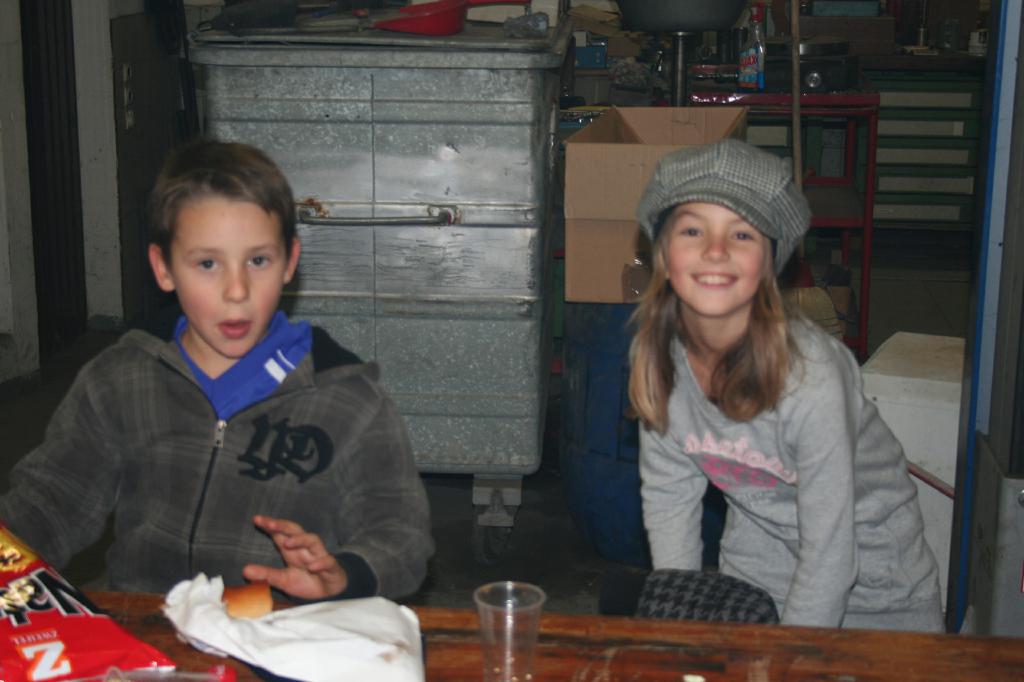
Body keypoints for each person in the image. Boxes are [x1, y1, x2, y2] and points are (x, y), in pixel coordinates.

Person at [0, 139, 434, 602]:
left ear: (290, 262)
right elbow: (51, 501)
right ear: (164, 268)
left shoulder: (350, 400)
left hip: (283, 631)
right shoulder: (120, 380)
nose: (236, 290)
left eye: (258, 260)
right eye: (207, 263)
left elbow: (401, 534)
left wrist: (344, 574)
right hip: (150, 625)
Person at [628, 138, 943, 631]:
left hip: (878, 586)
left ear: (770, 265)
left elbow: (831, 549)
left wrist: (790, 656)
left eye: (742, 234)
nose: (715, 251)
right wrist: (681, 627)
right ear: (663, 254)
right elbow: (670, 495)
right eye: (692, 229)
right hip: (758, 574)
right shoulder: (657, 360)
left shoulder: (811, 377)